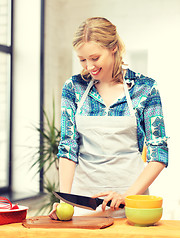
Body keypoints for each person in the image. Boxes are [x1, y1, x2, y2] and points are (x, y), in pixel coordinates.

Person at [49, 17, 168, 219]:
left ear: (113, 48)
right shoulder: (74, 87)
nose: (89, 66)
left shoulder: (145, 88)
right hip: (83, 202)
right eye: (82, 59)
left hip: (131, 202)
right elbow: (68, 146)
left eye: (95, 58)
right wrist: (64, 202)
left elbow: (159, 153)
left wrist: (126, 196)